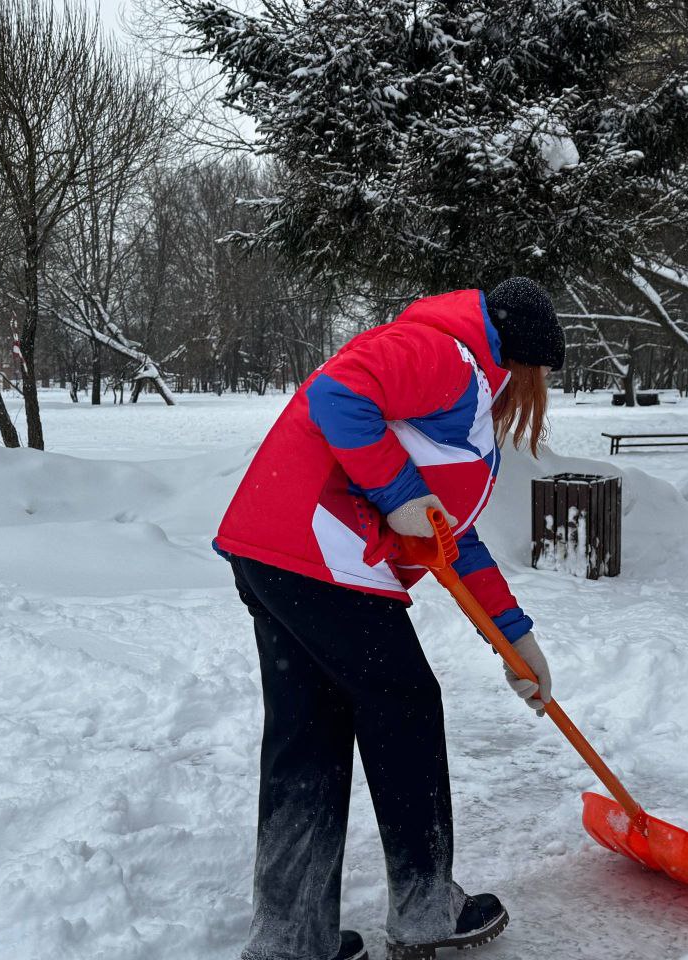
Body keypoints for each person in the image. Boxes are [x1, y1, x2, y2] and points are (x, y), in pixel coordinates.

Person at [213, 277, 565, 960]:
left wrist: (515, 640)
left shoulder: (461, 404)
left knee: (308, 736)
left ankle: (293, 938)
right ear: (521, 359)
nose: (536, 394)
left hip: (279, 553)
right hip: (317, 551)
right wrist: (399, 494)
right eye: (541, 376)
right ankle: (428, 906)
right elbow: (336, 396)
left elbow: (448, 537)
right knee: (404, 701)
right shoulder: (445, 356)